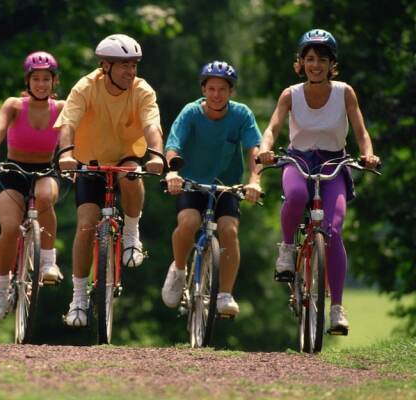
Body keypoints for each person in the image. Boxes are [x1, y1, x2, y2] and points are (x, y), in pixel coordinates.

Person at [257, 29, 380, 334]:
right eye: (309, 59)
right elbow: (272, 127)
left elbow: (361, 132)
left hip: (335, 164)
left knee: (334, 230)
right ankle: (287, 250)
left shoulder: (344, 92)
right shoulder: (291, 94)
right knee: (297, 196)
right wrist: (265, 149)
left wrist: (369, 155)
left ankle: (337, 309)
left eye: (322, 60)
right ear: (300, 63)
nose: (315, 65)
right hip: (298, 160)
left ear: (331, 64)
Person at [55, 34, 164, 327]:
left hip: (126, 155)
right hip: (89, 160)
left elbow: (152, 127)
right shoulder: (85, 87)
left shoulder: (142, 90)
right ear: (105, 66)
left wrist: (157, 156)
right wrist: (66, 153)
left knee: (131, 175)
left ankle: (131, 232)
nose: (131, 72)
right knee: (85, 226)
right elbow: (68, 124)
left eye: (134, 66)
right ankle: (78, 298)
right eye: (124, 66)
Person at [161, 61, 262, 318]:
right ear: (203, 89)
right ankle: (179, 269)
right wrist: (172, 171)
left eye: (222, 89)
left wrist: (254, 180)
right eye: (212, 88)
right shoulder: (190, 113)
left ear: (231, 92)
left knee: (229, 230)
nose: (217, 94)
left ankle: (225, 294)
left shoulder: (241, 115)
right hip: (191, 183)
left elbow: (255, 150)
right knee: (189, 222)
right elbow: (174, 145)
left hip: (226, 186)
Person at [0, 51, 65, 321]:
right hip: (12, 171)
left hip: (45, 170)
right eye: (36, 78)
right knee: (9, 228)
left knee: (44, 197)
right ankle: (1, 288)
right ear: (27, 81)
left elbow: (69, 139)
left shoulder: (61, 108)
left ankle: (48, 262)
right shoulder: (14, 105)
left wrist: (72, 160)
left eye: (46, 79)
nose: (41, 84)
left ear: (54, 81)